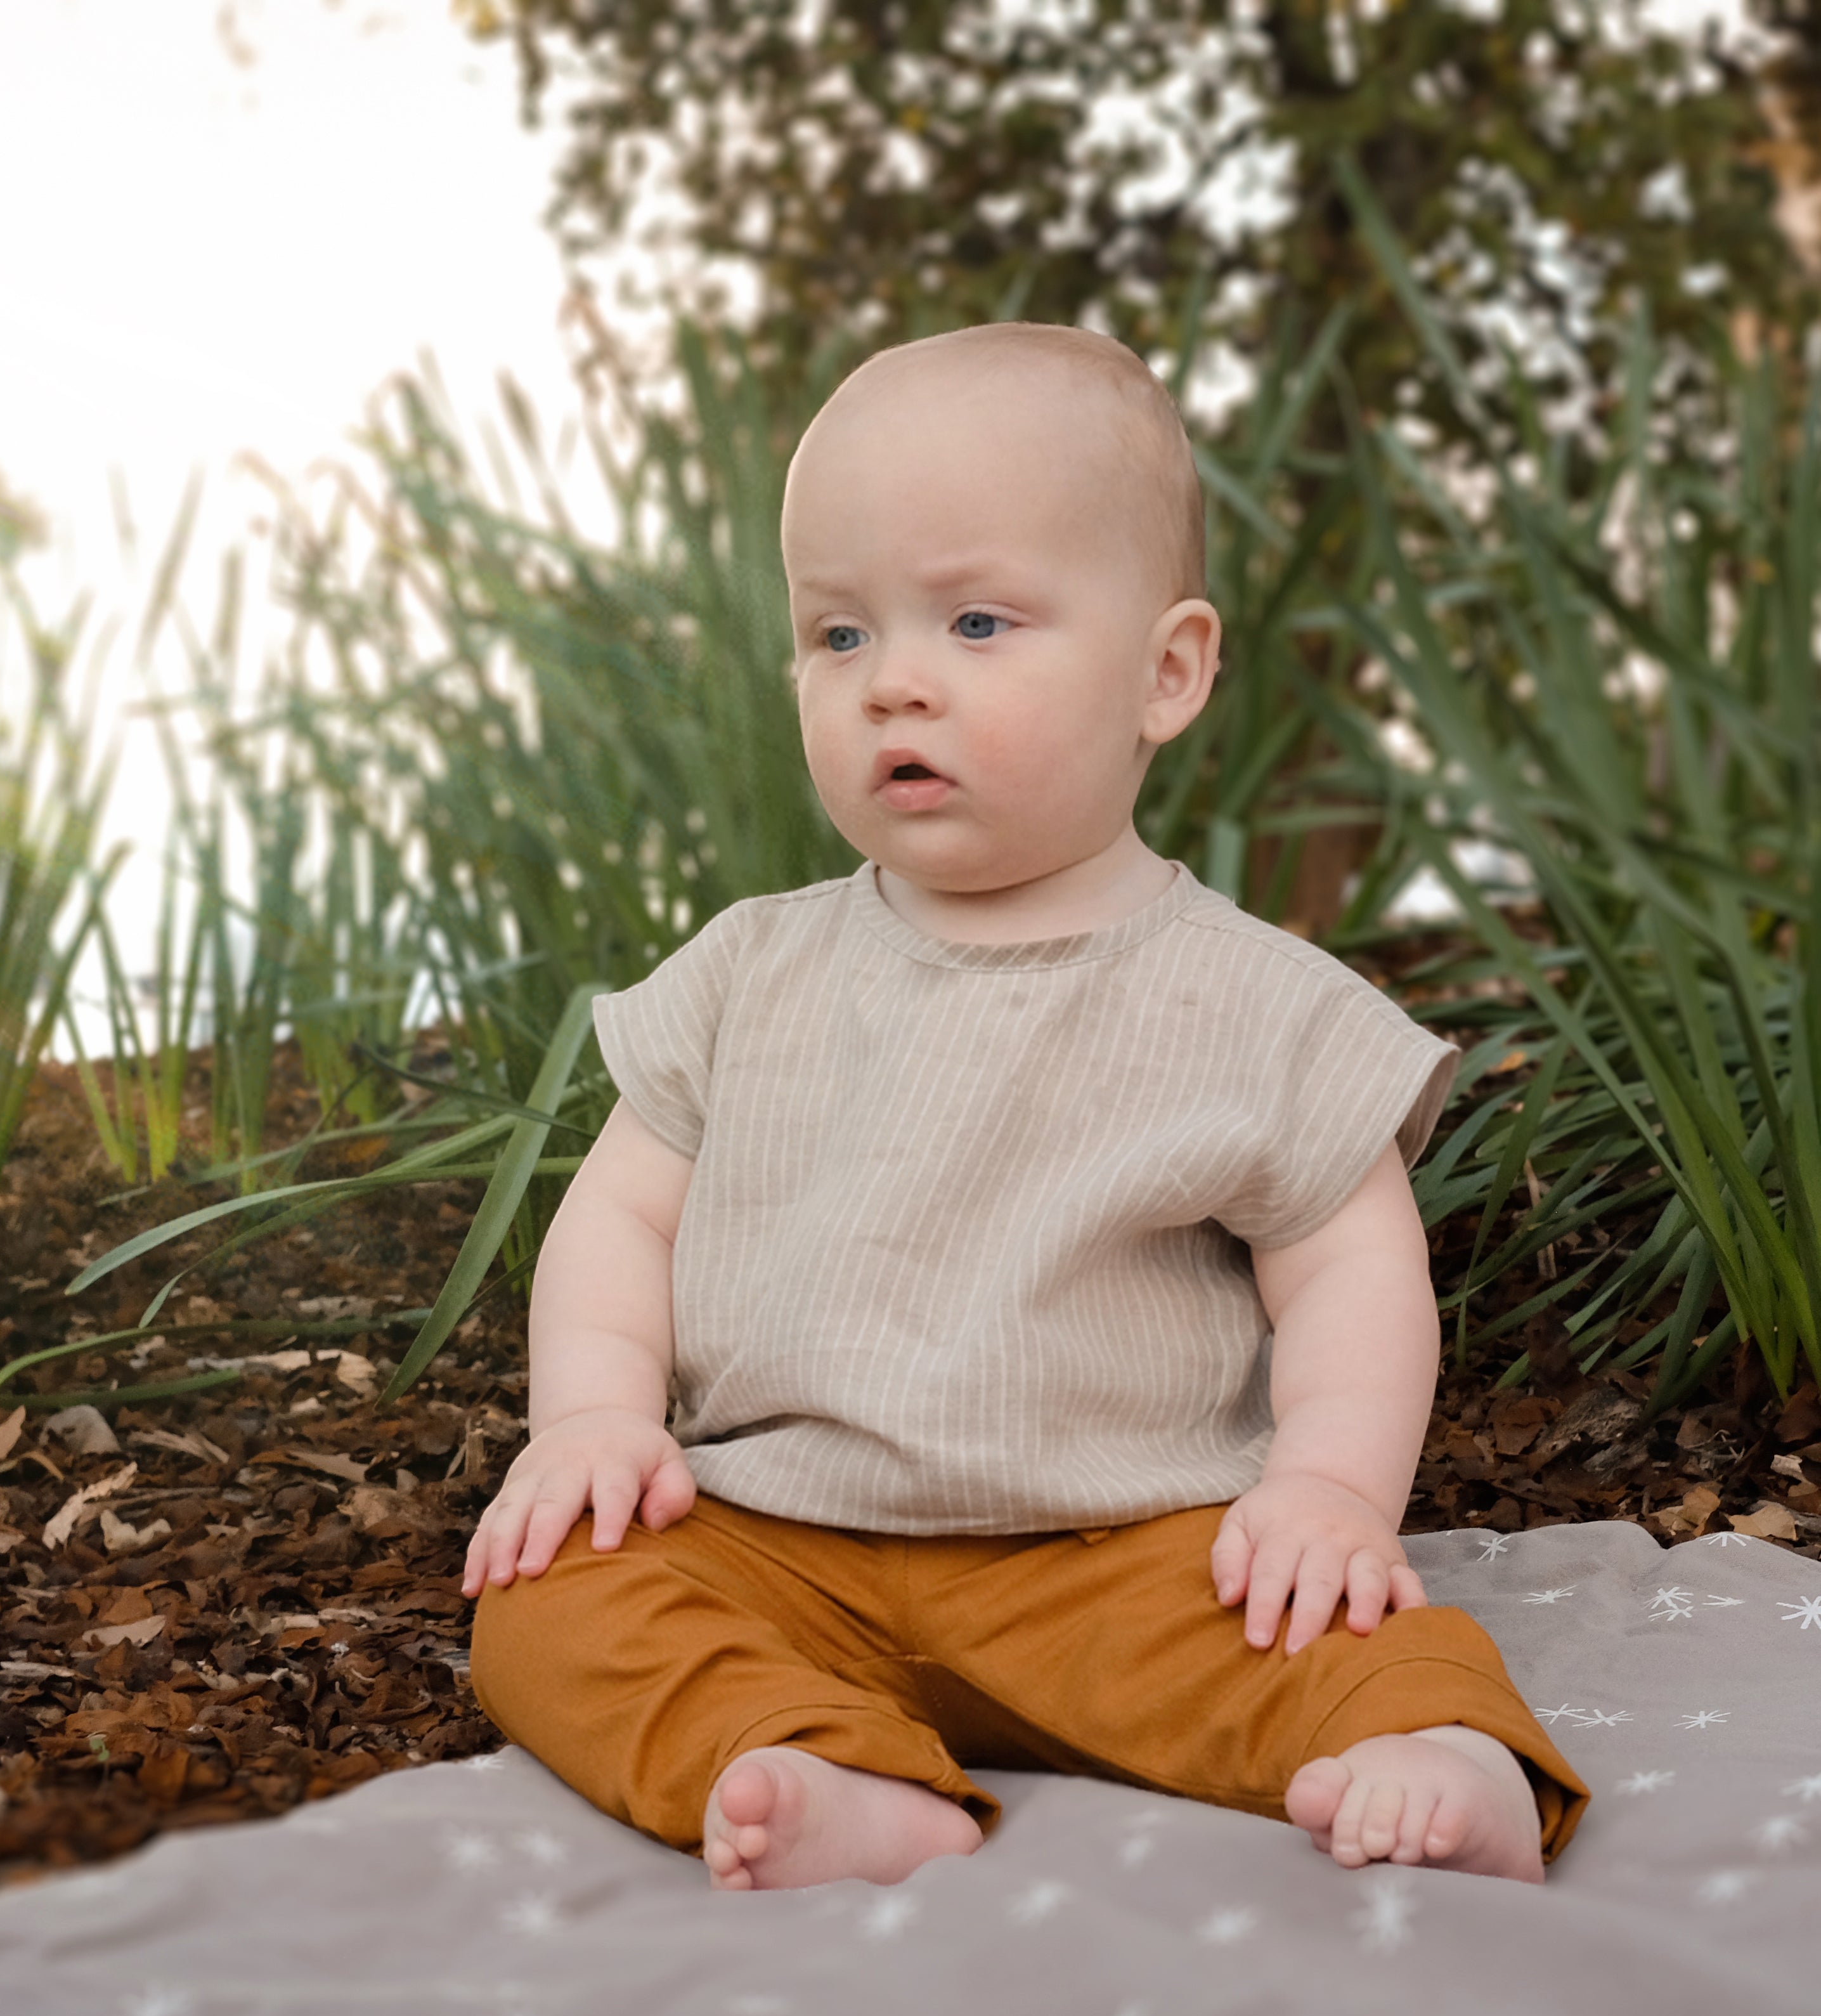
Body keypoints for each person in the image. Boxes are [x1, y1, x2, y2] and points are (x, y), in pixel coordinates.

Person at [460, 322, 1587, 1892]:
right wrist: (591, 1415)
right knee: (551, 1602)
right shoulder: (746, 969)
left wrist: (1324, 1491)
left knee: (1343, 1625)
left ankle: (1437, 1754)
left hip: (1120, 1557)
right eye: (838, 634)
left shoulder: (1250, 1001)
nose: (892, 684)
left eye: (975, 620)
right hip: (778, 1534)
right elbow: (623, 1211)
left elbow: (1342, 1268)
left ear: (1165, 671)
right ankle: (810, 1758)